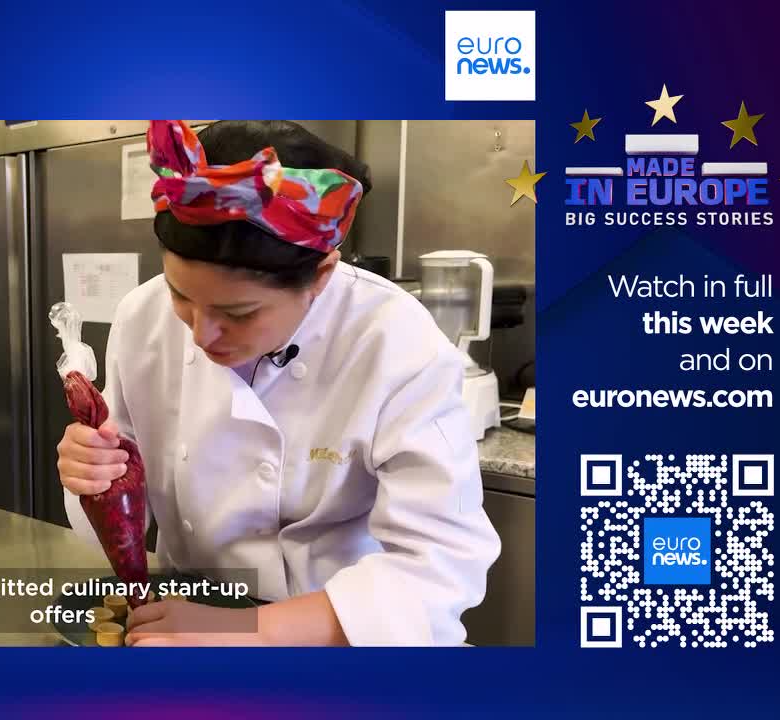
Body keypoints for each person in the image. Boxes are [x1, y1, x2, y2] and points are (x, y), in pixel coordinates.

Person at [57, 120, 500, 646]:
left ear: (321, 276)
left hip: (334, 633)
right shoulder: (142, 317)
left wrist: (249, 631)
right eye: (181, 295)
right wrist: (96, 475)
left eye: (238, 313)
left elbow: (440, 565)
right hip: (185, 613)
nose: (201, 334)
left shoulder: (394, 341)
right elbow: (123, 492)